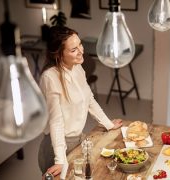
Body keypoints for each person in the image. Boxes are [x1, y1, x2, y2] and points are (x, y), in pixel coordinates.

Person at [38, 26, 122, 177]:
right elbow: (55, 122)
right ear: (59, 54)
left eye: (80, 45)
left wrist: (108, 124)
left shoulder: (77, 68)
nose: (81, 51)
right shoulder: (50, 78)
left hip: (77, 140)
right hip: (56, 148)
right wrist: (60, 160)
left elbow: (89, 99)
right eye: (73, 49)